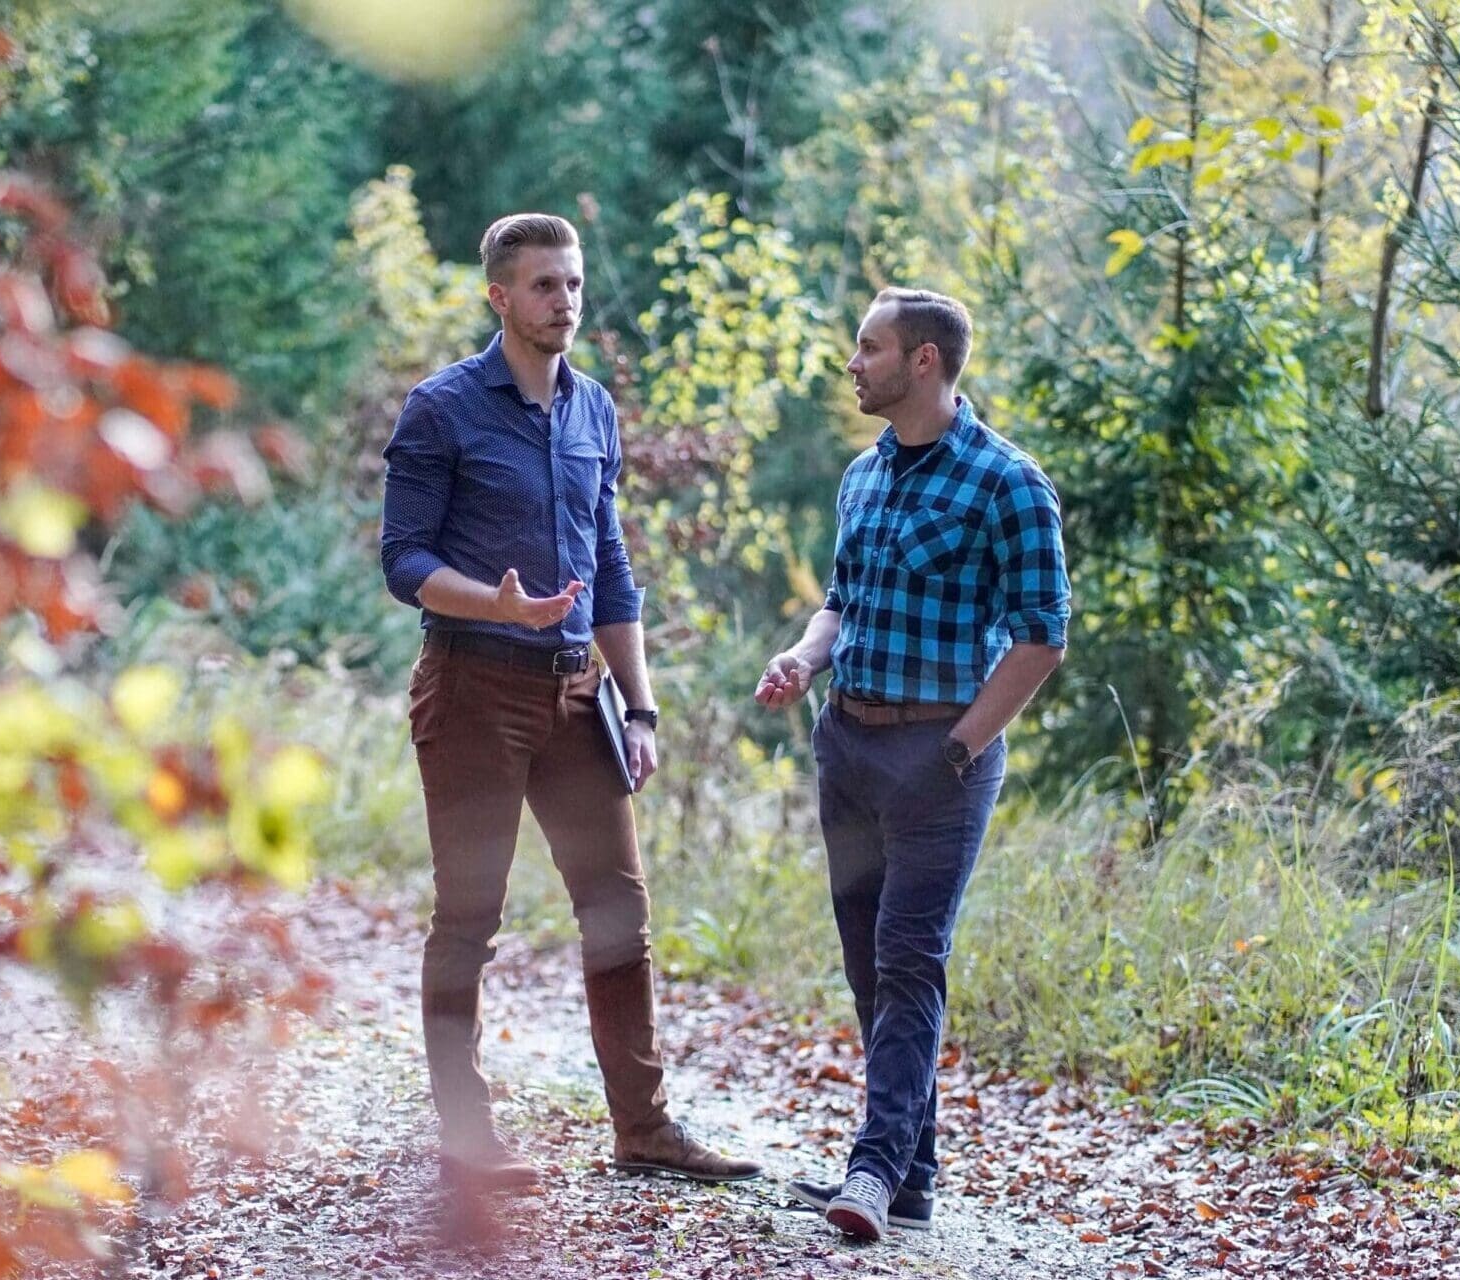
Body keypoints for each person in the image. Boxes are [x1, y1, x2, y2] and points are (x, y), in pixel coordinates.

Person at [379, 212, 762, 1192]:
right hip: (471, 689)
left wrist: (640, 708)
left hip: (577, 694)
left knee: (618, 911)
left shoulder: (593, 410)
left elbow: (614, 571)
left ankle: (644, 1127)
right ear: (499, 296)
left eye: (575, 284)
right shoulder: (442, 408)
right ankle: (466, 1135)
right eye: (545, 285)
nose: (565, 303)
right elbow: (404, 561)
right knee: (470, 914)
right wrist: (491, 599)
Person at [755, 287, 1070, 1241]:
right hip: (846, 742)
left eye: (869, 347)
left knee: (909, 961)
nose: (852, 363)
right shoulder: (864, 475)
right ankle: (913, 1179)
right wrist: (805, 658)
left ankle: (872, 1170)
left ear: (923, 361)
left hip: (940, 759)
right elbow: (841, 600)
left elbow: (1042, 637)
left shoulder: (1007, 483)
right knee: (869, 966)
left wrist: (961, 747)